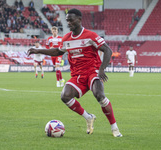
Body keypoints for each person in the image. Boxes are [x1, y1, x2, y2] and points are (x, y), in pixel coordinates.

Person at [28, 8, 122, 137]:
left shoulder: (91, 35)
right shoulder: (66, 39)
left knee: (99, 95)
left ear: (79, 19)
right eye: (67, 21)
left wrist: (101, 69)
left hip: (92, 72)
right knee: (65, 96)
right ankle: (88, 117)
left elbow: (108, 50)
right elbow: (58, 52)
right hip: (77, 75)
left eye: (71, 20)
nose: (68, 23)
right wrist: (38, 51)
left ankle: (114, 128)